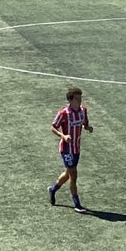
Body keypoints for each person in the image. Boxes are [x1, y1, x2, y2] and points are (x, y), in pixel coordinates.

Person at [48, 86, 93, 214]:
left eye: (80, 98)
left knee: (68, 173)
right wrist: (63, 136)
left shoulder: (83, 111)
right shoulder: (63, 114)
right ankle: (77, 204)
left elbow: (85, 124)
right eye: (77, 99)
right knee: (73, 175)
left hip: (76, 148)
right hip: (66, 149)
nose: (80, 101)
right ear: (71, 100)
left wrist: (88, 128)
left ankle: (53, 189)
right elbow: (53, 127)